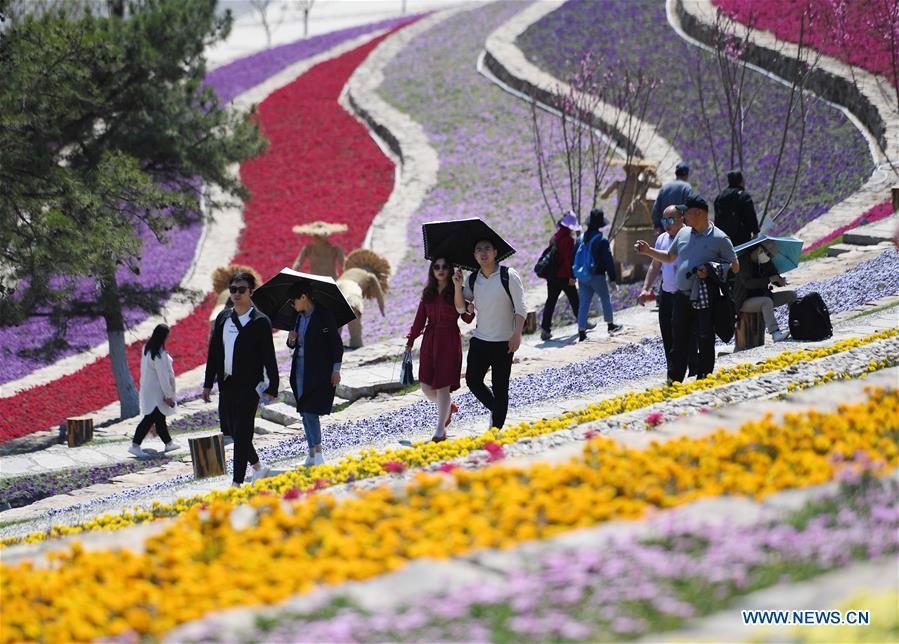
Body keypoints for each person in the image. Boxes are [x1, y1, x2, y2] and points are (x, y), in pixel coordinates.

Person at [635, 193, 740, 383]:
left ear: (699, 213)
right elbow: (669, 257)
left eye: (688, 214)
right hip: (682, 297)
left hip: (706, 295)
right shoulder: (683, 234)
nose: (684, 218)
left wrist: (710, 270)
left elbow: (735, 266)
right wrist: (648, 251)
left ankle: (704, 377)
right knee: (679, 337)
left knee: (705, 336)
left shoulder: (720, 238)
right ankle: (674, 379)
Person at [203, 271, 279, 487]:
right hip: (227, 384)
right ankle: (258, 468)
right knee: (235, 431)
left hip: (249, 386)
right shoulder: (223, 318)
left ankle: (237, 482)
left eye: (241, 290)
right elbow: (214, 352)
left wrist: (273, 386)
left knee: (243, 431)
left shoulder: (260, 322)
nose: (236, 294)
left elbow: (269, 356)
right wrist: (208, 383)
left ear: (251, 292)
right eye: (233, 289)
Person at [454, 238, 527, 431]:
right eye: (478, 250)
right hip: (480, 340)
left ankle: (495, 429)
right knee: (472, 380)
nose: (483, 253)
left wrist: (517, 334)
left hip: (504, 342)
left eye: (487, 249)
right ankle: (498, 411)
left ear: (496, 252)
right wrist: (457, 285)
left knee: (500, 387)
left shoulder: (508, 275)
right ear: (474, 256)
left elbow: (521, 308)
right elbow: (462, 308)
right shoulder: (472, 279)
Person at [405, 258, 472, 442]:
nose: (441, 270)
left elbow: (465, 316)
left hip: (449, 340)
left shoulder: (456, 290)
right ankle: (448, 407)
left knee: (443, 386)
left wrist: (459, 289)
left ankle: (440, 431)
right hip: (430, 340)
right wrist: (410, 341)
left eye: (445, 266)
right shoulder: (428, 293)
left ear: (450, 269)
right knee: (426, 387)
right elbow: (419, 320)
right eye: (437, 267)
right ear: (432, 270)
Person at [287, 285, 343, 466]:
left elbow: (336, 344)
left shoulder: (324, 315)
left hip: (319, 370)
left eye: (293, 300)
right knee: (304, 411)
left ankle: (318, 453)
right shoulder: (297, 317)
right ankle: (311, 454)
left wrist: (336, 369)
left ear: (303, 296)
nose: (292, 304)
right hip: (300, 370)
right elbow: (292, 345)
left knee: (311, 410)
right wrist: (292, 339)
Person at [637, 205, 686, 369]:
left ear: (681, 219)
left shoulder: (687, 237)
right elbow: (655, 266)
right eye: (664, 220)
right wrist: (646, 288)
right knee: (667, 335)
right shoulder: (662, 239)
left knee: (686, 336)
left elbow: (669, 258)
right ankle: (672, 373)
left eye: (671, 220)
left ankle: (693, 370)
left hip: (684, 294)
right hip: (667, 294)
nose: (667, 224)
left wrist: (648, 250)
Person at [130, 324, 182, 457]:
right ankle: (135, 445)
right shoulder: (158, 354)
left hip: (149, 390)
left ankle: (168, 443)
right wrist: (169, 395)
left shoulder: (147, 349)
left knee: (159, 418)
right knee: (149, 419)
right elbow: (163, 378)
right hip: (156, 393)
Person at [575, 208, 624, 342]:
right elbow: (608, 260)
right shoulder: (602, 240)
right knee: (605, 298)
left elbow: (576, 257)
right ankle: (610, 325)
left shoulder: (580, 238)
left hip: (583, 276)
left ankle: (581, 332)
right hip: (597, 276)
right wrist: (613, 278)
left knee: (584, 303)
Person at [734, 246, 796, 342]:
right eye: (769, 254)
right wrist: (769, 279)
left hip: (764, 296)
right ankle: (775, 333)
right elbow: (748, 283)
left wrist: (779, 281)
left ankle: (796, 324)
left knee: (792, 295)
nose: (770, 257)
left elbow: (773, 275)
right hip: (745, 300)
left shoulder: (765, 260)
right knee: (766, 302)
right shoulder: (742, 262)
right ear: (760, 250)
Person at [540, 211, 581, 341]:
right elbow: (569, 260)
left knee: (550, 302)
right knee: (575, 300)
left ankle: (545, 330)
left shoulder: (555, 237)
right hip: (564, 276)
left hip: (552, 276)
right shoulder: (569, 240)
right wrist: (572, 276)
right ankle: (583, 323)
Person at [713, 170, 759, 247]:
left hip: (725, 239)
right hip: (742, 237)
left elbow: (717, 219)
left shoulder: (719, 197)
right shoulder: (743, 195)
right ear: (741, 180)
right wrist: (755, 232)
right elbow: (750, 215)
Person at [651, 161, 691, 233]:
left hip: (665, 230)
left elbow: (655, 209)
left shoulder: (665, 187)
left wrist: (657, 226)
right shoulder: (686, 188)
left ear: (676, 173)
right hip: (681, 231)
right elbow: (690, 209)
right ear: (687, 175)